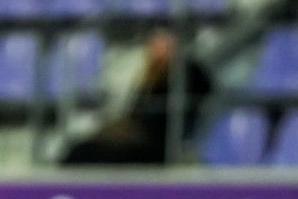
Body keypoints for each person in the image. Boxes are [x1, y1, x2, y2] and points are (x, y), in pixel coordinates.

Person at [61, 28, 212, 166]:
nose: (156, 48)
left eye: (163, 42)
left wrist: (177, 63)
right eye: (154, 43)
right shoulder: (150, 76)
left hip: (156, 140)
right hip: (136, 134)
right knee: (80, 150)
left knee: (95, 154)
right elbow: (135, 109)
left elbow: (203, 89)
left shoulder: (187, 71)